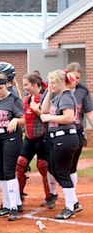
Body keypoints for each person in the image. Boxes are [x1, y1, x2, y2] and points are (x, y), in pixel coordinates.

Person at [0, 71, 25, 221]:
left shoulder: (14, 99)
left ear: (7, 85)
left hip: (11, 137)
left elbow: (23, 119)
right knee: (0, 171)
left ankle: (14, 207)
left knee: (9, 171)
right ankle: (6, 205)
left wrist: (16, 121)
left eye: (1, 88)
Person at [40, 69, 79, 219]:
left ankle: (70, 207)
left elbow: (69, 118)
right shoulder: (57, 96)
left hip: (66, 137)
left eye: (54, 83)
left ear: (62, 82)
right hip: (58, 137)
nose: (51, 85)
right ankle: (73, 202)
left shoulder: (66, 96)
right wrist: (49, 92)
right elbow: (42, 109)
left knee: (61, 172)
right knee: (54, 169)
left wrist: (50, 117)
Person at [15, 72, 50, 205]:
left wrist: (38, 111)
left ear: (35, 84)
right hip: (29, 138)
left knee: (43, 166)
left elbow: (48, 120)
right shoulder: (26, 100)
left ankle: (50, 196)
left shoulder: (44, 98)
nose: (24, 88)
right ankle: (18, 196)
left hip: (42, 139)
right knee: (20, 164)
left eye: (26, 85)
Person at [64, 62, 93, 213]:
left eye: (78, 77)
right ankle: (55, 195)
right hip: (59, 133)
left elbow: (89, 113)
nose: (75, 80)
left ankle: (72, 199)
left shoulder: (82, 91)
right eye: (73, 76)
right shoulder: (59, 88)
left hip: (76, 132)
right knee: (56, 167)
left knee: (71, 167)